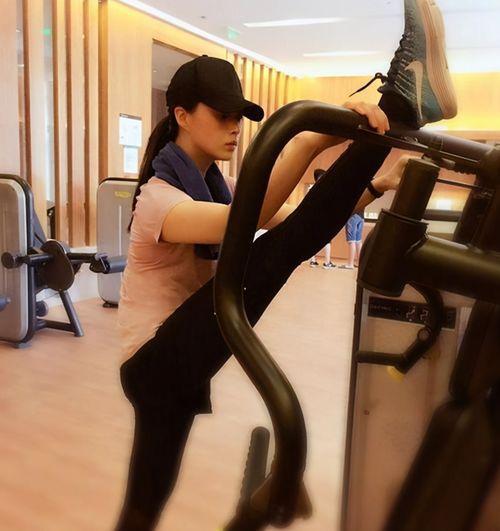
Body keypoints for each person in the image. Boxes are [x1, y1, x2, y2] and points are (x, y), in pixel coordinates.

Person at [115, 0, 457, 528]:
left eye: (239, 117)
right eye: (222, 115)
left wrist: (373, 186)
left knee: (144, 505)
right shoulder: (157, 199)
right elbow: (256, 220)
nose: (234, 127)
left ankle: (265, 505)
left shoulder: (215, 186)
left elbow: (295, 218)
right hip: (155, 361)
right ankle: (401, 101)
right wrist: (316, 138)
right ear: (181, 115)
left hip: (178, 366)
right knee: (278, 250)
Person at [309, 169, 336, 269]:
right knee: (327, 240)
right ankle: (327, 263)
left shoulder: (312, 189)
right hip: (325, 217)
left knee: (313, 239)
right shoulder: (328, 189)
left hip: (313, 217)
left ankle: (313, 261)